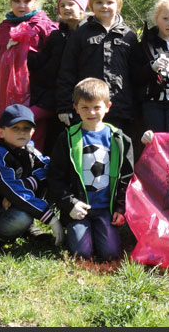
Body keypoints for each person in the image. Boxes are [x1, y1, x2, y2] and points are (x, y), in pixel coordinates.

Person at [48, 78, 134, 261]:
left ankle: (101, 232)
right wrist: (70, 204)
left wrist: (120, 207)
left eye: (96, 107)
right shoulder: (68, 138)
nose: (91, 112)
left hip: (106, 210)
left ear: (107, 106)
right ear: (76, 108)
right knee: (81, 254)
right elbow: (55, 177)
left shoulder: (119, 139)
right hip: (80, 209)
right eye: (85, 107)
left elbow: (127, 178)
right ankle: (77, 232)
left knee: (110, 254)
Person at [0, 104, 64, 250]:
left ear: (33, 131)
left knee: (45, 182)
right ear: (1, 132)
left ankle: (26, 229)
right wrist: (50, 218)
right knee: (21, 217)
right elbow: (13, 189)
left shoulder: (29, 148)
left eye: (26, 128)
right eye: (15, 128)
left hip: (12, 201)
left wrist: (28, 183)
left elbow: (49, 167)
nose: (21, 133)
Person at [0, 0, 57, 151]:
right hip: (2, 91)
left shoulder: (45, 26)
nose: (21, 5)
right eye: (17, 1)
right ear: (11, 2)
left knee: (31, 138)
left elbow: (53, 62)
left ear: (35, 2)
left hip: (33, 92)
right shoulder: (4, 27)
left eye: (26, 1)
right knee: (2, 135)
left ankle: (32, 175)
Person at [56, 0, 138, 140]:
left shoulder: (129, 36)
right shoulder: (81, 34)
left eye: (109, 2)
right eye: (99, 2)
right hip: (87, 108)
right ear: (91, 5)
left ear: (118, 4)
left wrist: (136, 108)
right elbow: (67, 70)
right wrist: (64, 106)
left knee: (116, 153)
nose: (104, 6)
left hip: (119, 108)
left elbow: (135, 75)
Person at [27, 0, 89, 154]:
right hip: (54, 96)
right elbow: (41, 62)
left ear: (82, 8)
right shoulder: (56, 36)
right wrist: (19, 52)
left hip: (80, 96)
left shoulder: (89, 35)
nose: (67, 8)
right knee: (53, 139)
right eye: (63, 5)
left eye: (71, 4)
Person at [130, 0, 169, 136]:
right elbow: (135, 75)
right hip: (152, 102)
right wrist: (151, 68)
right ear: (156, 18)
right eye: (165, 18)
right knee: (157, 139)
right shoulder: (145, 45)